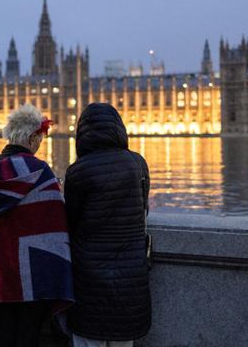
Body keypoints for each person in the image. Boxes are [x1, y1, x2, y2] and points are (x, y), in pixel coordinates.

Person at [0, 104, 74, 347]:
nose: (40, 144)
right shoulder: (40, 171)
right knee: (27, 338)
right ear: (33, 137)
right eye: (40, 139)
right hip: (30, 278)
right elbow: (55, 222)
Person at [64, 103, 152, 347]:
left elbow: (70, 221)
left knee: (88, 340)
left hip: (89, 278)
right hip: (131, 276)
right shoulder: (138, 163)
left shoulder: (77, 171)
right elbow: (143, 208)